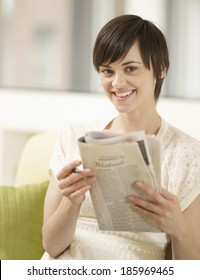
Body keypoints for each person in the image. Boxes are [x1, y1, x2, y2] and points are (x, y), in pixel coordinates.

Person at [41, 14, 200, 260]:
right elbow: (51, 246)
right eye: (107, 70)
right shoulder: (74, 137)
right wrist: (70, 203)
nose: (117, 82)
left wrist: (179, 230)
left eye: (130, 68)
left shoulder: (187, 155)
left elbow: (190, 271)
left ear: (160, 68)